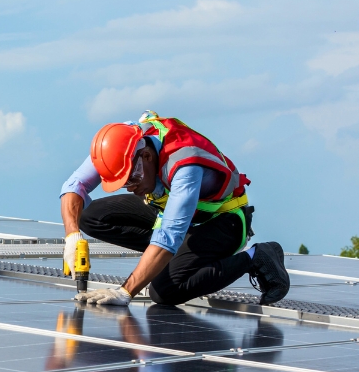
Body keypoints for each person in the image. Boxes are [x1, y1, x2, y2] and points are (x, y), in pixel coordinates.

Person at [60, 111, 289, 306]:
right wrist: (72, 236)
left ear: (147, 156)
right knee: (90, 217)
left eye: (132, 179)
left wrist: (124, 292)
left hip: (222, 220)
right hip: (173, 212)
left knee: (165, 291)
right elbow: (74, 186)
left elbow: (169, 236)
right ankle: (170, 258)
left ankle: (256, 256)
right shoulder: (123, 142)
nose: (130, 188)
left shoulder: (184, 165)